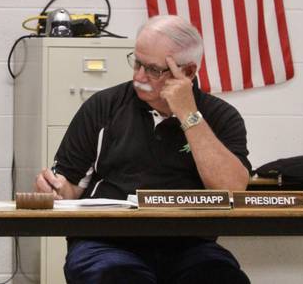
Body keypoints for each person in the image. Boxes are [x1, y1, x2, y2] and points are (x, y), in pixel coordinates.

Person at [34, 15, 251, 284]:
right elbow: (70, 188)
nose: (139, 76)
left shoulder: (221, 117)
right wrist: (55, 189)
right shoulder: (104, 107)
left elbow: (232, 191)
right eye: (136, 63)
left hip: (190, 247)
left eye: (153, 69)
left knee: (225, 279)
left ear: (189, 71)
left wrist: (188, 114)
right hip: (107, 244)